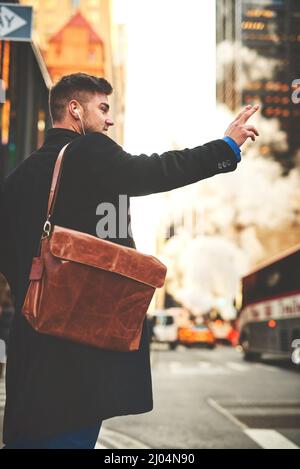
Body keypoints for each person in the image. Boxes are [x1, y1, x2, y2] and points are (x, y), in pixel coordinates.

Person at [0, 73, 259, 449]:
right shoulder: (90, 152)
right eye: (103, 108)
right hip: (76, 350)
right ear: (74, 109)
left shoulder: (18, 177)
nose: (110, 120)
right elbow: (154, 170)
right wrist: (225, 148)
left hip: (29, 349)